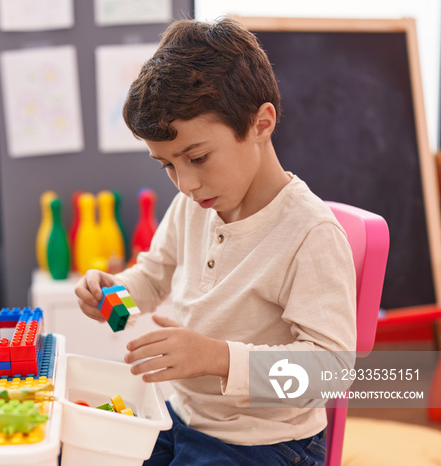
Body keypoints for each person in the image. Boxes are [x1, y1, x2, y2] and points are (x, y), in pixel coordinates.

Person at [75, 17, 356, 466]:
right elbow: (152, 275)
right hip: (184, 418)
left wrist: (218, 359)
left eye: (198, 157)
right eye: (166, 165)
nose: (184, 182)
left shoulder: (310, 234)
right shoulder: (196, 204)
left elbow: (331, 372)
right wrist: (112, 291)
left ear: (261, 123)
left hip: (266, 443)